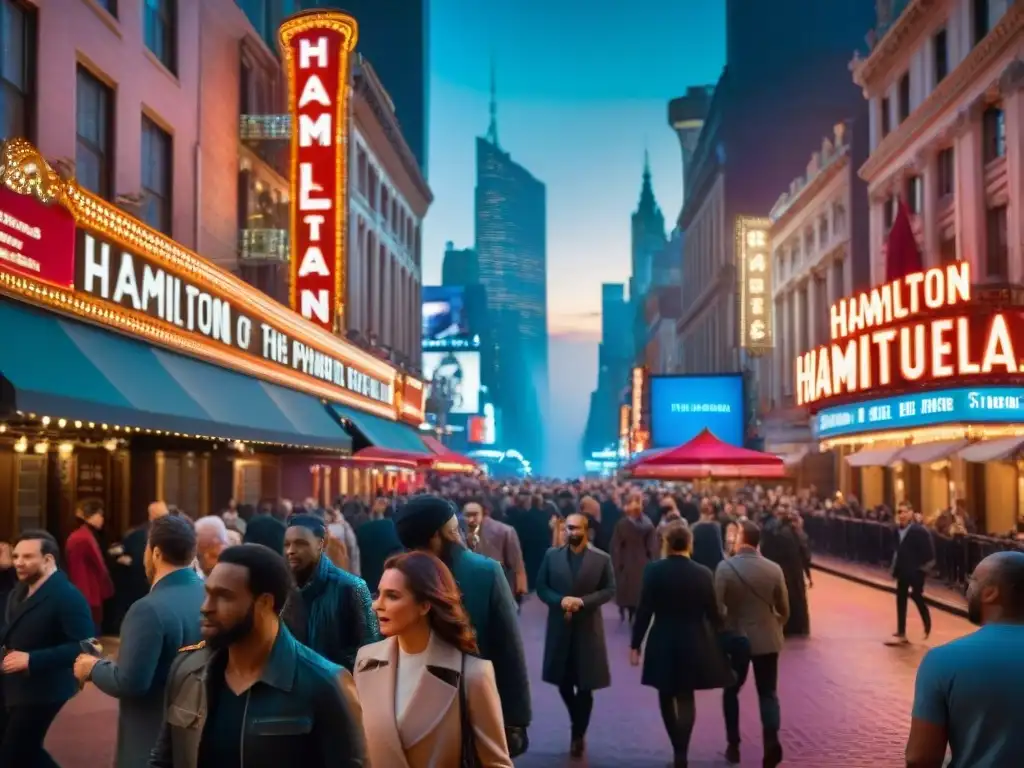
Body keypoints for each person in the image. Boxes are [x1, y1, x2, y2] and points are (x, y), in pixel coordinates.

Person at [149, 544, 366, 768]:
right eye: (207, 593)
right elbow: (163, 760)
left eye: (224, 596)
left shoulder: (324, 683)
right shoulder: (188, 670)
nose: (206, 607)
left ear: (264, 603)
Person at [394, 495, 531, 756]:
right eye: (452, 527)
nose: (459, 532)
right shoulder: (486, 571)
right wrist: (516, 718)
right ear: (438, 534)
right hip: (469, 709)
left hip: (410, 710)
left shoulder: (395, 574)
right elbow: (509, 649)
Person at [354, 552, 513, 767]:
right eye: (378, 594)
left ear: (424, 605)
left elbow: (496, 764)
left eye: (392, 596)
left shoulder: (472, 675)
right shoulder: (366, 661)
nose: (376, 605)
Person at [73, 515, 205, 768]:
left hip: (153, 731)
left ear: (155, 553)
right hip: (198, 728)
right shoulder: (207, 593)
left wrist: (92, 667)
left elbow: (131, 682)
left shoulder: (148, 609)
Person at [630, 521, 734, 768]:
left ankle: (676, 747)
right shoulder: (703, 573)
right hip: (694, 638)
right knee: (686, 697)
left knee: (665, 695)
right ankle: (682, 753)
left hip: (662, 638)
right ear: (689, 543)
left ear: (666, 543)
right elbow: (713, 613)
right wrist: (724, 639)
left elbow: (644, 609)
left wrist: (635, 644)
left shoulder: (654, 571)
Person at [906, 551, 1024, 767]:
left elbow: (920, 758)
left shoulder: (941, 660)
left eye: (972, 580)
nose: (967, 588)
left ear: (990, 593)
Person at [0, 531, 95, 766]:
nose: (18, 562)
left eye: (27, 557)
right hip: (14, 686)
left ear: (48, 560)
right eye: (16, 556)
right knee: (19, 752)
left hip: (44, 690)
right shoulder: (18, 591)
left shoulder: (68, 596)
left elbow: (87, 647)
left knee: (15, 754)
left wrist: (33, 660)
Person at [535, 512, 616, 759]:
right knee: (562, 681)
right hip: (560, 628)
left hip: (588, 628)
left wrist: (583, 602)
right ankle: (576, 721)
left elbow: (609, 589)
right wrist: (561, 601)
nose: (572, 532)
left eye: (577, 528)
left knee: (586, 685)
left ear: (586, 530)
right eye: (569, 528)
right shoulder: (552, 556)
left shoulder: (601, 559)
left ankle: (578, 733)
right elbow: (541, 587)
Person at [715, 520, 788, 767]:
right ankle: (771, 741)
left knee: (732, 691)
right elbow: (784, 608)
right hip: (767, 637)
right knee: (768, 693)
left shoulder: (725, 568)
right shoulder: (773, 569)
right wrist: (776, 623)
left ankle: (733, 745)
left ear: (742, 540)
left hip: (737, 639)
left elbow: (718, 608)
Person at [280, 514, 379, 671]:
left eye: (300, 544)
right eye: (286, 545)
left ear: (321, 543)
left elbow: (372, 650)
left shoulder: (352, 587)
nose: (291, 551)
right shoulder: (282, 590)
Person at [886, 502, 935, 646]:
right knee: (901, 599)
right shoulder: (895, 531)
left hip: (915, 571)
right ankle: (901, 632)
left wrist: (922, 570)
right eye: (899, 512)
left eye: (904, 512)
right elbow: (896, 551)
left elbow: (929, 553)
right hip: (902, 570)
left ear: (911, 513)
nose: (901, 515)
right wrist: (894, 568)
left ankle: (927, 624)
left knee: (917, 596)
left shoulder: (919, 531)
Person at [66, 498, 115, 634]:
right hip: (89, 590)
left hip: (80, 589)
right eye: (100, 514)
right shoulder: (85, 537)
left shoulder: (77, 535)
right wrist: (108, 589)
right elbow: (100, 566)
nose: (102, 519)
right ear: (90, 515)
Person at [462, 500, 528, 602]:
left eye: (474, 514)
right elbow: (516, 562)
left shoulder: (504, 531)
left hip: (491, 587)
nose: (471, 519)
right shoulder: (459, 531)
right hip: (485, 588)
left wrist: (520, 586)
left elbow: (516, 562)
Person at [610, 490, 658, 623]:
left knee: (625, 588)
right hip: (642, 561)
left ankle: (625, 611)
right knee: (638, 590)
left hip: (626, 560)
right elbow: (652, 547)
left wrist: (616, 562)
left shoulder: (622, 524)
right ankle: (634, 612)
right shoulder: (648, 524)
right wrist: (652, 561)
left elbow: (616, 545)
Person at [690, 500, 725, 573]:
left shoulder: (694, 528)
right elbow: (720, 549)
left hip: (698, 566)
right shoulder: (716, 527)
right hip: (714, 567)